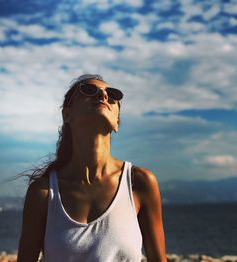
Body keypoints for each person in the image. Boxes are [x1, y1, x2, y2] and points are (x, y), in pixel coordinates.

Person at [17, 74, 167, 262]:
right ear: (67, 115)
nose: (103, 96)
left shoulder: (139, 182)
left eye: (112, 95)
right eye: (89, 90)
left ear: (117, 123)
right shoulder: (44, 192)